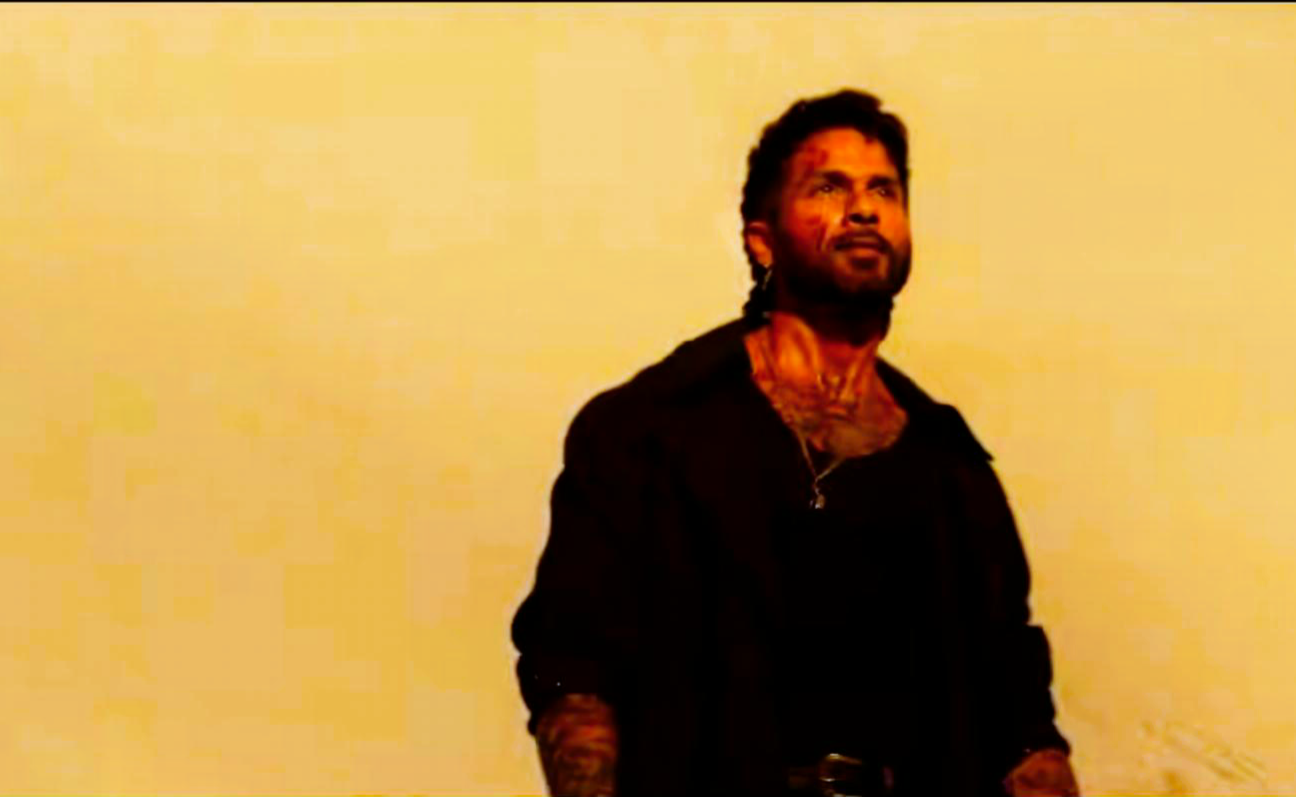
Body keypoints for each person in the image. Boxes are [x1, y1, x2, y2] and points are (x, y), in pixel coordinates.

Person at [511, 89, 1079, 797]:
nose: (864, 209)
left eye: (884, 190)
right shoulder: (647, 431)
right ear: (762, 240)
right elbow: (573, 665)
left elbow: (1018, 714)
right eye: (829, 187)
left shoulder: (949, 470)